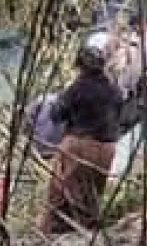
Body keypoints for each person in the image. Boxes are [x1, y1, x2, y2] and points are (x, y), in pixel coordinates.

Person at [39, 43, 124, 233]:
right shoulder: (115, 90)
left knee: (59, 191)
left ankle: (51, 231)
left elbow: (56, 115)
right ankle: (86, 228)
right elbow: (121, 116)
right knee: (92, 193)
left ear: (80, 66)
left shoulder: (77, 89)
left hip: (78, 145)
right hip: (107, 148)